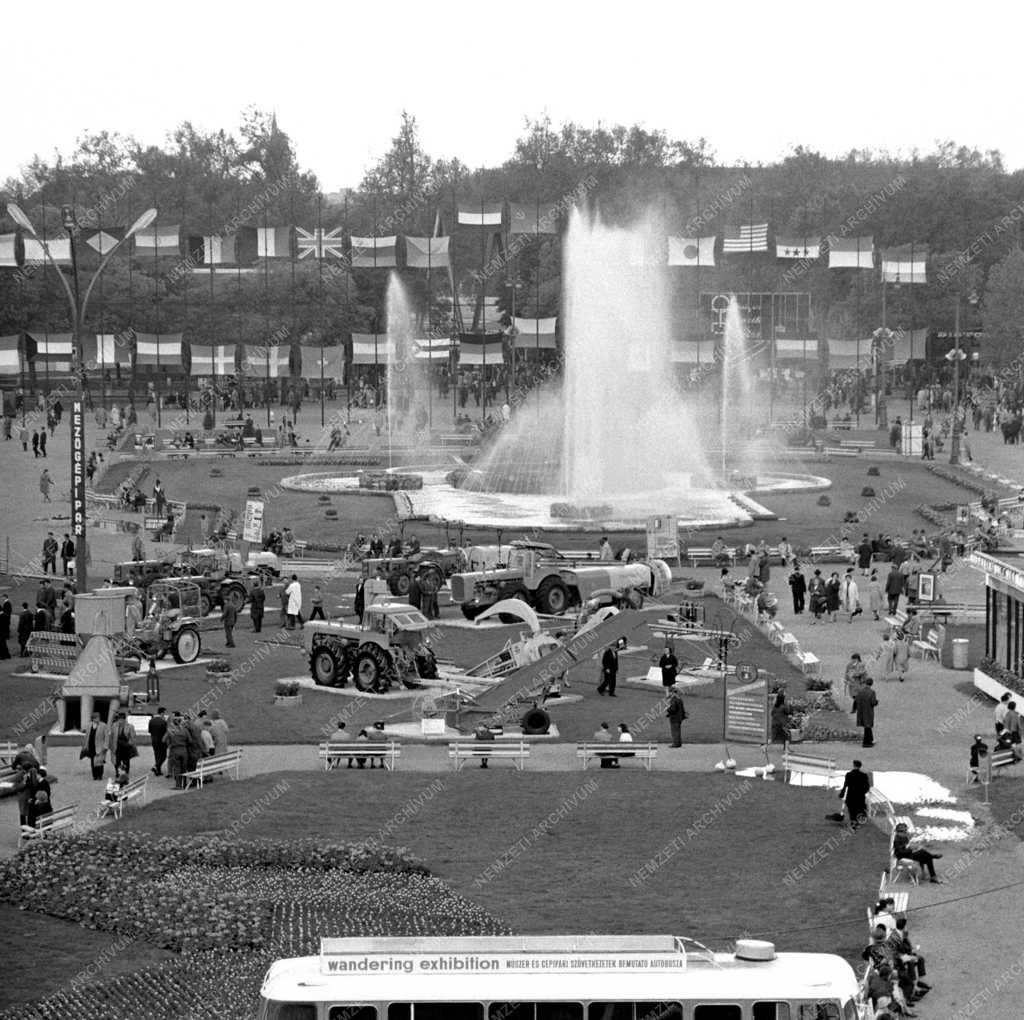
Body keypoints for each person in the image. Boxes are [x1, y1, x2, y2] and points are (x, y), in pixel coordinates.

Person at [839, 758, 872, 829]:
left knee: (851, 809)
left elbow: (845, 785)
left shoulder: (849, 774)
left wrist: (842, 793)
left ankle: (853, 821)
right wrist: (863, 792)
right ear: (860, 766)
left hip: (850, 796)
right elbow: (867, 786)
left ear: (853, 765)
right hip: (860, 796)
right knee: (859, 808)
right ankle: (859, 817)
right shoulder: (863, 775)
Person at [164, 712, 191, 789]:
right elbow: (190, 740)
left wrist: (170, 742)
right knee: (184, 768)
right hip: (184, 750)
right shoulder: (185, 730)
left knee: (177, 768)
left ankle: (178, 785)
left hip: (175, 750)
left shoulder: (170, 730)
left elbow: (163, 740)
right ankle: (184, 783)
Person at [81, 711, 108, 781]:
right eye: (97, 718)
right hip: (91, 746)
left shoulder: (103, 725)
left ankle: (100, 775)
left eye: (99, 717)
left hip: (100, 746)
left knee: (100, 761)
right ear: (93, 719)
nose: (98, 719)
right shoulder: (89, 725)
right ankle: (95, 775)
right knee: (93, 761)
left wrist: (105, 746)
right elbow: (87, 736)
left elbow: (106, 737)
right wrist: (85, 745)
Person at [853, 677, 878, 747]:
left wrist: (854, 709)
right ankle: (867, 742)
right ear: (871, 684)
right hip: (868, 711)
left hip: (861, 711)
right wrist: (876, 702)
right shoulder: (872, 692)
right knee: (868, 726)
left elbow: (856, 700)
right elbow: (873, 702)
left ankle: (870, 739)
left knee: (866, 727)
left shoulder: (860, 692)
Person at [148, 707, 169, 777]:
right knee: (163, 756)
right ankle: (156, 766)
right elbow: (166, 732)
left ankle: (158, 770)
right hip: (162, 741)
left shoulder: (151, 720)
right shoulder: (163, 721)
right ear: (162, 713)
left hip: (154, 740)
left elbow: (150, 731)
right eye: (164, 713)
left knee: (157, 756)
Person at [0, 593, 11, 660]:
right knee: (3, 644)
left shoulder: (2, 616)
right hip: (4, 632)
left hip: (1, 632)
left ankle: (3, 656)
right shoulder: (4, 616)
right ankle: (7, 655)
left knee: (2, 644)